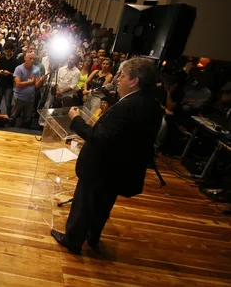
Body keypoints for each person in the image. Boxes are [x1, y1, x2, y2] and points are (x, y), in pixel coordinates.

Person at [50, 58, 163, 255]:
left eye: (122, 76)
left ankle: (72, 240)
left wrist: (76, 120)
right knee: (103, 206)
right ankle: (93, 238)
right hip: (120, 169)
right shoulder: (151, 105)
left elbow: (99, 138)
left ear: (134, 80)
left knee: (84, 204)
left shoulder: (126, 107)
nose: (118, 80)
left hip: (101, 167)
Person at [10, 52, 46, 128]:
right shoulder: (19, 68)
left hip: (30, 98)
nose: (32, 60)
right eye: (30, 58)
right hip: (18, 97)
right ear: (25, 58)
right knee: (13, 116)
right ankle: (10, 129)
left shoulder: (36, 69)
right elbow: (18, 84)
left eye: (34, 59)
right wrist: (30, 82)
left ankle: (25, 131)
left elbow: (36, 85)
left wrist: (41, 80)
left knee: (27, 118)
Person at [0, 42, 18, 117]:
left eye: (9, 51)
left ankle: (8, 117)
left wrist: (10, 73)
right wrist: (0, 71)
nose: (7, 53)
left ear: (12, 51)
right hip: (0, 83)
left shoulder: (15, 61)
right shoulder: (1, 59)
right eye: (6, 51)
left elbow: (17, 74)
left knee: (8, 103)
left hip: (9, 85)